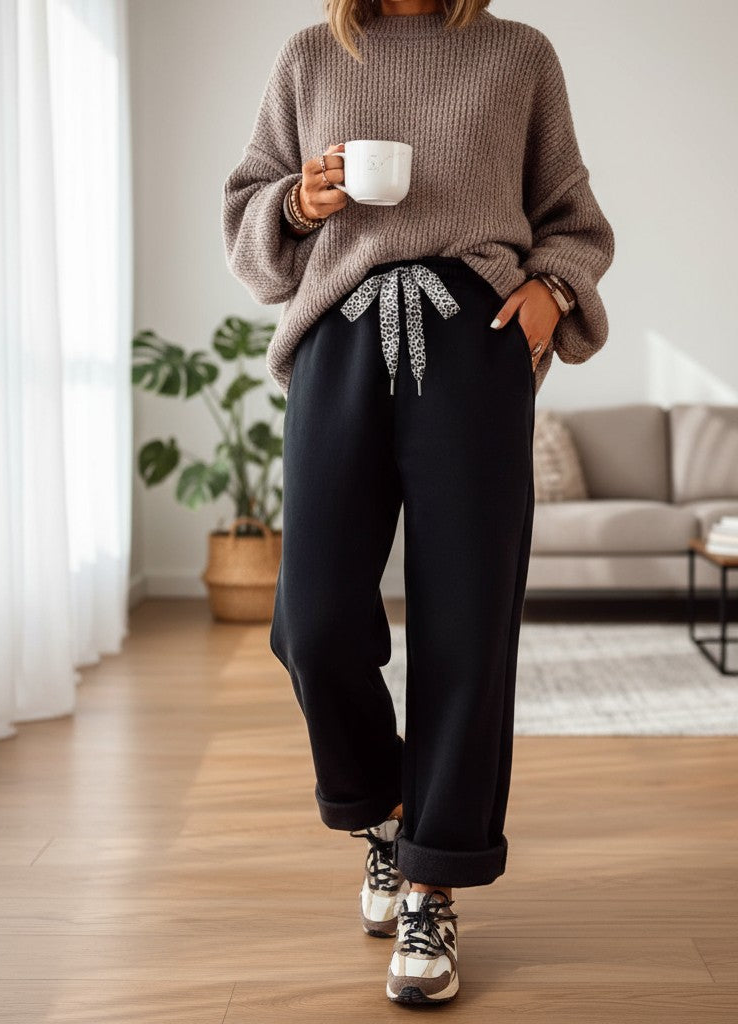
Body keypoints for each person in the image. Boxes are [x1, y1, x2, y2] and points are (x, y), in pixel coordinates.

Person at [222, 0, 614, 1005]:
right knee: (311, 622)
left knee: (467, 624)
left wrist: (550, 297)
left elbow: (573, 217)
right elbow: (249, 224)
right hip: (339, 341)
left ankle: (432, 882)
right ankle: (394, 812)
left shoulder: (519, 55)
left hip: (472, 343)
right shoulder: (311, 57)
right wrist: (299, 206)